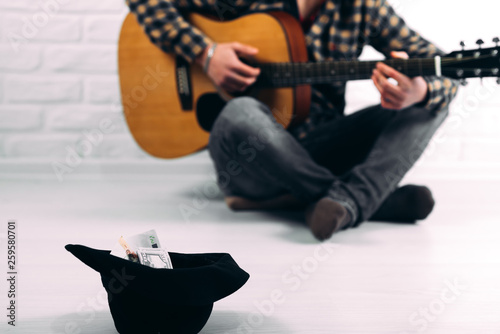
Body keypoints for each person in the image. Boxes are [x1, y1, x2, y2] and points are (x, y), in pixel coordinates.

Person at [126, 0, 459, 240]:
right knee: (239, 112)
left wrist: (421, 92)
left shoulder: (362, 7)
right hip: (248, 164)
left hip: (322, 147)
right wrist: (205, 54)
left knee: (432, 101)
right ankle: (357, 200)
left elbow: (446, 68)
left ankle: (335, 201)